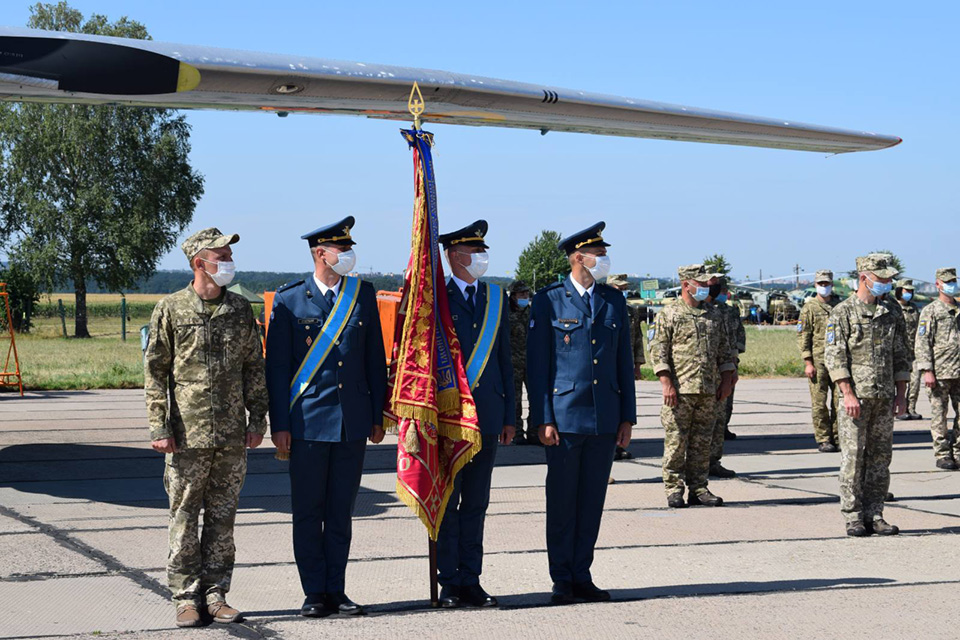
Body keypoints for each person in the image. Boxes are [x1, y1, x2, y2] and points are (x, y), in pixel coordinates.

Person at [144, 227, 268, 628]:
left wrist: (257, 418)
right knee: (183, 516)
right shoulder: (171, 309)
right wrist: (158, 427)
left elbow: (254, 368)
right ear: (200, 262)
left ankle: (216, 595)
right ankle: (185, 598)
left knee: (222, 517)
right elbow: (155, 373)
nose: (229, 263)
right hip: (186, 437)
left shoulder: (239, 310)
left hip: (231, 436)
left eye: (230, 256)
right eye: (222, 256)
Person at [264, 217, 387, 617]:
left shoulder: (361, 295)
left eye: (349, 249)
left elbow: (374, 359)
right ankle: (314, 591)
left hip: (351, 421)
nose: (348, 255)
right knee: (309, 511)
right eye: (341, 249)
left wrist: (376, 415)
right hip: (308, 423)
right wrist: (279, 425)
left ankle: (337, 589)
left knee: (340, 512)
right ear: (321, 254)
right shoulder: (289, 300)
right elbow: (277, 369)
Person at [526, 221, 636, 605]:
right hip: (565, 416)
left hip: (605, 417)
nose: (604, 260)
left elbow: (624, 361)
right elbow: (538, 367)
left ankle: (582, 574)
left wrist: (627, 417)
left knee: (591, 502)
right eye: (599, 254)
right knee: (562, 502)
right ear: (578, 257)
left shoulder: (613, 301)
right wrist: (543, 418)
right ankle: (562, 578)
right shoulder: (549, 299)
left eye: (604, 254)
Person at [435, 220, 515, 608]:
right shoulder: (435, 298)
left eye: (483, 250)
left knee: (477, 503)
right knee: (449, 502)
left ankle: (472, 578)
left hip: (487, 416)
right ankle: (448, 580)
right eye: (474, 251)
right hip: (450, 419)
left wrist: (511, 416)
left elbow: (505, 362)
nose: (482, 257)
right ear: (454, 256)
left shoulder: (495, 297)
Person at [824, 254, 909, 537]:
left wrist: (901, 395)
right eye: (881, 278)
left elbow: (901, 355)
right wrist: (847, 393)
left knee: (880, 458)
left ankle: (876, 513)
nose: (887, 283)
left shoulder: (892, 311)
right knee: (853, 457)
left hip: (883, 397)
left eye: (888, 278)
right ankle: (853, 516)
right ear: (864, 277)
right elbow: (835, 357)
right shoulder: (843, 312)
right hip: (855, 399)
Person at [650, 264, 734, 508]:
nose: (708, 287)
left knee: (702, 442)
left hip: (709, 390)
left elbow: (725, 351)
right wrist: (666, 383)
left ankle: (698, 488)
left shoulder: (714, 314)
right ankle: (674, 488)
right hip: (680, 391)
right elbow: (658, 351)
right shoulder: (669, 314)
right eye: (702, 283)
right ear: (686, 284)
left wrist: (727, 380)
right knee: (676, 442)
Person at [915, 268, 960, 470]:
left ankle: (958, 452)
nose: (952, 285)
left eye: (954, 281)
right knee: (939, 415)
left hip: (959, 371)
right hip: (940, 372)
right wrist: (927, 370)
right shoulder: (930, 311)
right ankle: (943, 454)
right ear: (938, 284)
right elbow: (922, 342)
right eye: (947, 281)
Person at [798, 270, 843, 452]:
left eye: (827, 284)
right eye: (821, 284)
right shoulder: (810, 308)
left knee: (839, 402)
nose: (824, 287)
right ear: (815, 285)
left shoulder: (840, 306)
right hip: (818, 361)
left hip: (839, 361)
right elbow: (803, 335)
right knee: (819, 402)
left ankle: (839, 437)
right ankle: (824, 438)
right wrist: (808, 362)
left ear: (832, 285)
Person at [605, 274, 647, 460]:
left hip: (626, 366)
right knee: (610, 409)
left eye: (624, 289)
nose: (622, 291)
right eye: (618, 288)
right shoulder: (602, 307)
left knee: (625, 408)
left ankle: (620, 445)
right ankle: (609, 448)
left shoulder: (630, 311)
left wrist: (637, 365)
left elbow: (638, 339)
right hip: (608, 368)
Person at [707, 277, 745, 477]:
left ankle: (714, 461)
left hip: (726, 367)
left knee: (722, 414)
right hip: (701, 375)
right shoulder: (702, 311)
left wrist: (732, 367)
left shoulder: (728, 311)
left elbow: (735, 339)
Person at [507, 280, 535, 445]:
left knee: (535, 398)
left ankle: (533, 431)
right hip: (513, 364)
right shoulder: (506, 314)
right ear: (513, 296)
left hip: (531, 363)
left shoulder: (532, 312)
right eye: (521, 294)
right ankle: (517, 433)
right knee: (515, 400)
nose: (525, 296)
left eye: (526, 294)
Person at [893, 279, 923, 420]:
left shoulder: (914, 308)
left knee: (915, 382)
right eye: (906, 291)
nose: (909, 293)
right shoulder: (892, 307)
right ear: (899, 291)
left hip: (913, 352)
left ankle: (911, 408)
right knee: (899, 382)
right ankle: (898, 409)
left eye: (911, 291)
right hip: (898, 352)